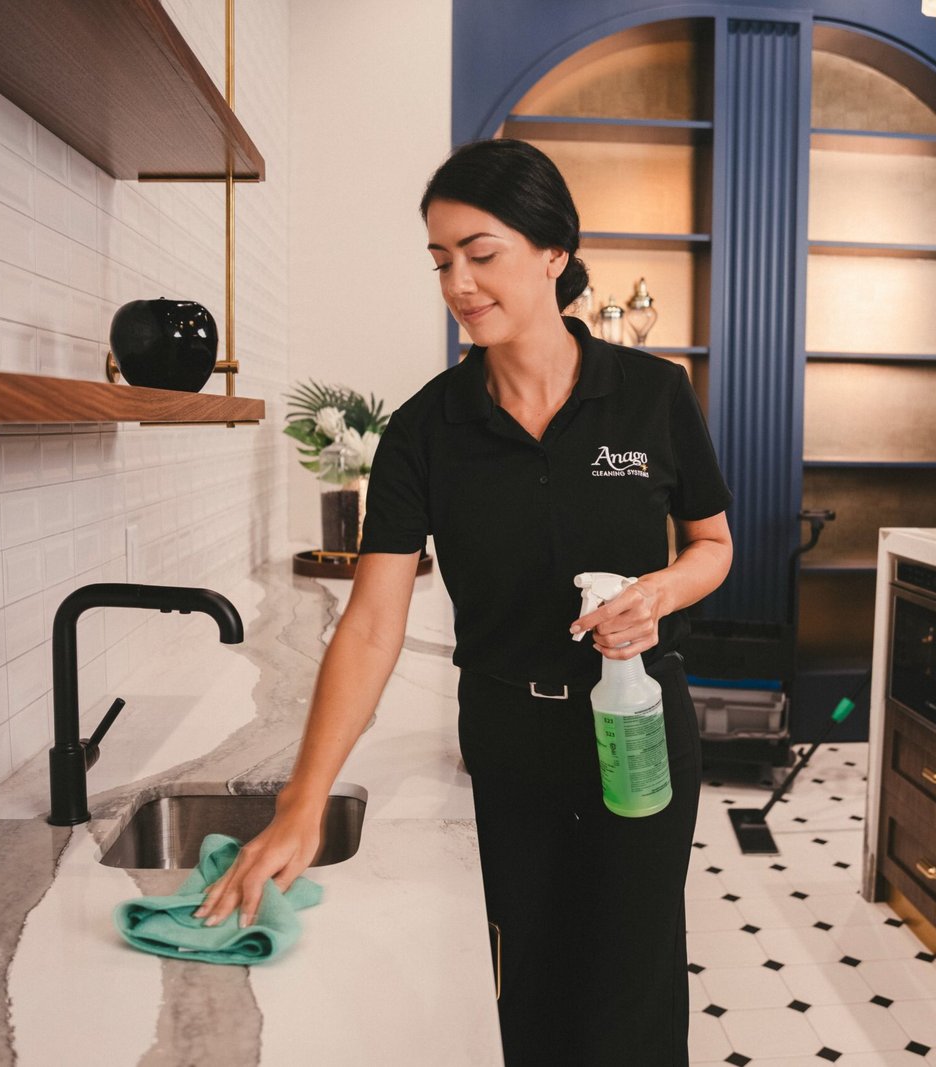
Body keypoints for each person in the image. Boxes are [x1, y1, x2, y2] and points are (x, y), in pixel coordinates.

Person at [195, 138, 734, 1067]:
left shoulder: (651, 394)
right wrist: (302, 799)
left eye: (481, 254)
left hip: (638, 722)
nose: (459, 284)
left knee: (634, 987)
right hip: (508, 734)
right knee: (528, 989)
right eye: (442, 261)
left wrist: (659, 591)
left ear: (555, 252)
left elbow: (713, 545)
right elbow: (373, 622)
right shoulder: (425, 428)